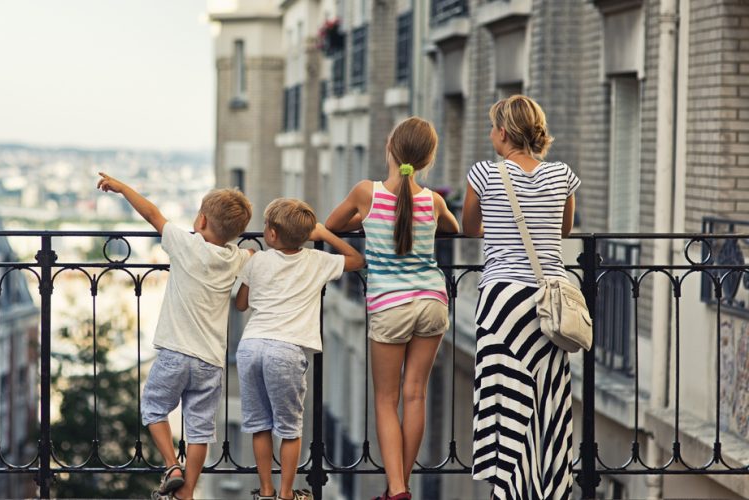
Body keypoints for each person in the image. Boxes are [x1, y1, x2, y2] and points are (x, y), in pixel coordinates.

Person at [97, 173, 254, 500]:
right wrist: (250, 255)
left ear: (201, 219)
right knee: (199, 430)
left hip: (174, 352)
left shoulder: (185, 243)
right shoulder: (237, 257)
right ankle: (187, 494)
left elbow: (153, 214)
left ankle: (172, 466)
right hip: (211, 359)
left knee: (154, 409)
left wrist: (123, 187)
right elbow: (247, 273)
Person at [325, 117, 459, 500]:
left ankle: (396, 488)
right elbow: (449, 226)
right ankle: (402, 486)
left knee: (387, 399)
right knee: (415, 393)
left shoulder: (366, 192)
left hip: (390, 306)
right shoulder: (432, 200)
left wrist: (365, 219)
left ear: (389, 147)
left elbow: (333, 226)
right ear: (428, 159)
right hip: (432, 300)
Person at [461, 95, 579, 499]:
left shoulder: (484, 174)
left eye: (493, 127)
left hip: (502, 303)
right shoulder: (562, 174)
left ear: (506, 133)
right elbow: (564, 229)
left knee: (504, 400)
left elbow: (469, 228)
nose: (490, 134)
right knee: (546, 398)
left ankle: (506, 487)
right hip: (549, 302)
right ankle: (544, 487)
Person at [235, 198, 364, 500]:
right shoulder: (317, 261)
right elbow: (356, 259)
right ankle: (286, 493)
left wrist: (248, 269)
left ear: (272, 234)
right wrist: (324, 234)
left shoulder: (257, 260)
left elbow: (241, 304)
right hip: (286, 350)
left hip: (251, 346)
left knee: (260, 425)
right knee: (290, 428)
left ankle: (265, 490)